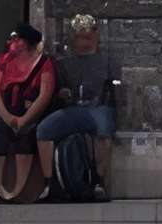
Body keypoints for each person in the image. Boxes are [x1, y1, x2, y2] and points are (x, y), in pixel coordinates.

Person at [37, 11, 117, 200]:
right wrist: (63, 94)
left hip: (98, 109)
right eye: (80, 37)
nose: (84, 42)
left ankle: (99, 182)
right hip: (74, 109)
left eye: (87, 37)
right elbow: (61, 88)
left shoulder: (107, 61)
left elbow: (116, 89)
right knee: (44, 130)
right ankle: (50, 184)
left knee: (103, 129)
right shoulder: (66, 62)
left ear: (95, 37)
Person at [0, 23, 57, 201]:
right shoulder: (4, 60)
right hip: (8, 113)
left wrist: (24, 119)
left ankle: (19, 188)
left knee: (26, 134)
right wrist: (8, 118)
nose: (11, 42)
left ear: (25, 43)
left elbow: (44, 95)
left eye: (16, 39)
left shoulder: (44, 63)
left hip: (31, 114)